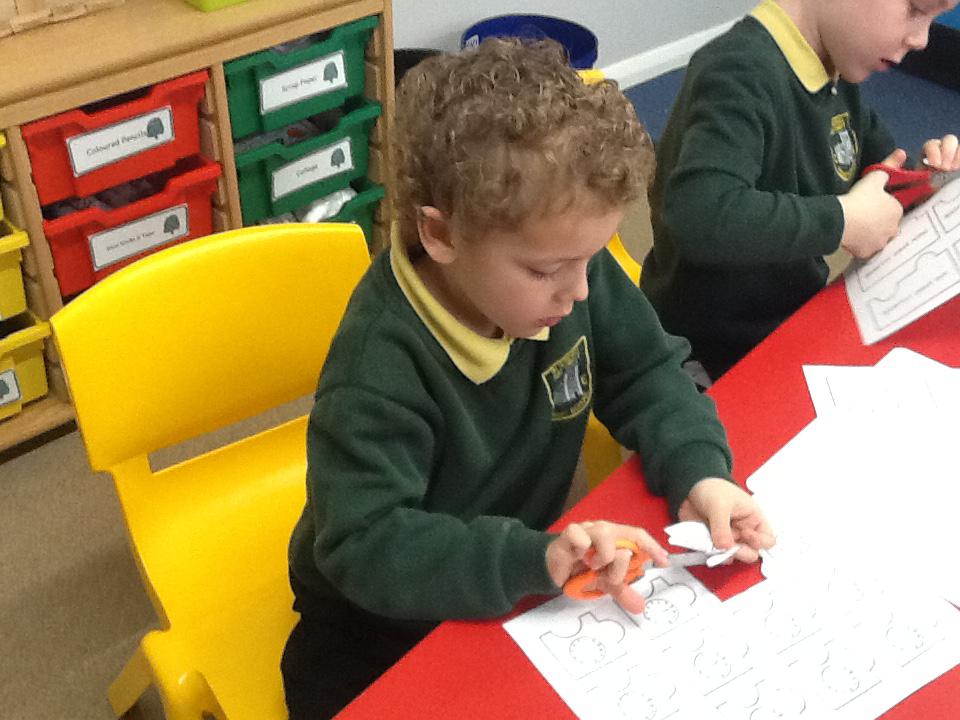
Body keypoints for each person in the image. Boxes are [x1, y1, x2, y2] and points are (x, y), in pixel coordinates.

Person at [280, 38, 774, 719]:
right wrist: (529, 560)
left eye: (590, 260)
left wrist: (701, 473)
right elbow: (364, 545)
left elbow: (649, 371)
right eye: (545, 270)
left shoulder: (566, 269)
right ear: (440, 236)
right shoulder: (378, 366)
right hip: (376, 618)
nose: (580, 290)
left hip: (518, 569)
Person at [641, 0, 960, 381]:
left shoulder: (835, 71)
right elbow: (700, 214)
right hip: (703, 353)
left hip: (788, 326)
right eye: (916, 8)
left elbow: (882, 175)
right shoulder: (738, 71)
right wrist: (842, 221)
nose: (922, 40)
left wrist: (925, 180)